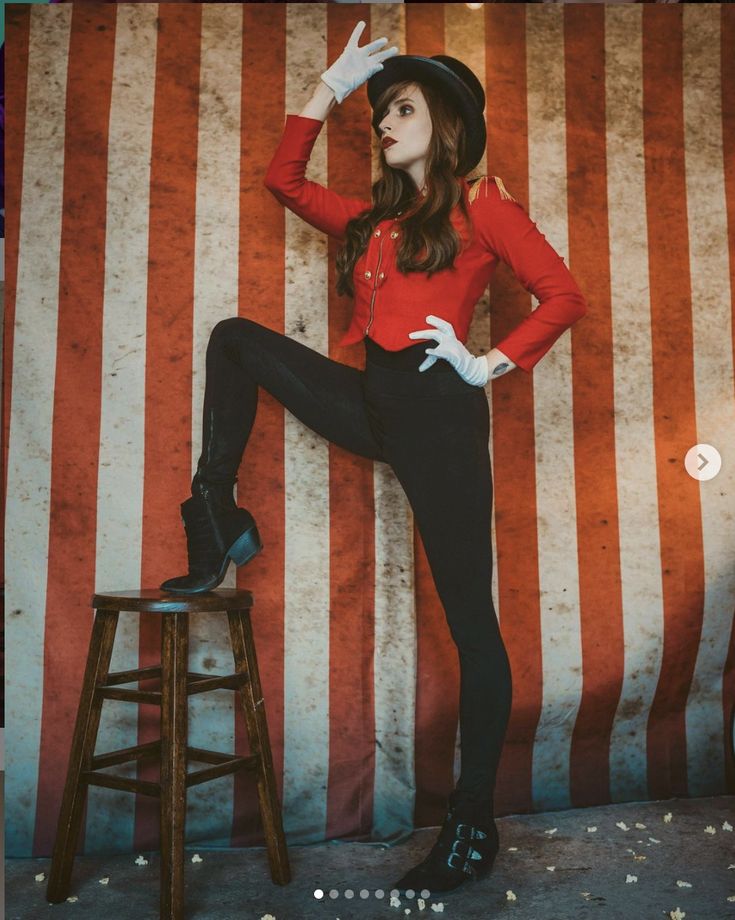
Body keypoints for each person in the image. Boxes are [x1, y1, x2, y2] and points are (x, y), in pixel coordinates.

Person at [160, 21, 588, 894]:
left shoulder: (483, 204)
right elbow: (282, 180)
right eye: (380, 113)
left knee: (473, 626)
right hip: (374, 404)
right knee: (234, 339)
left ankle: (472, 827)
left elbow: (563, 294)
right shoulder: (374, 221)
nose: (383, 123)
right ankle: (217, 517)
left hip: (439, 418)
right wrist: (328, 86)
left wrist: (486, 362)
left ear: (447, 123)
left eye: (399, 108)